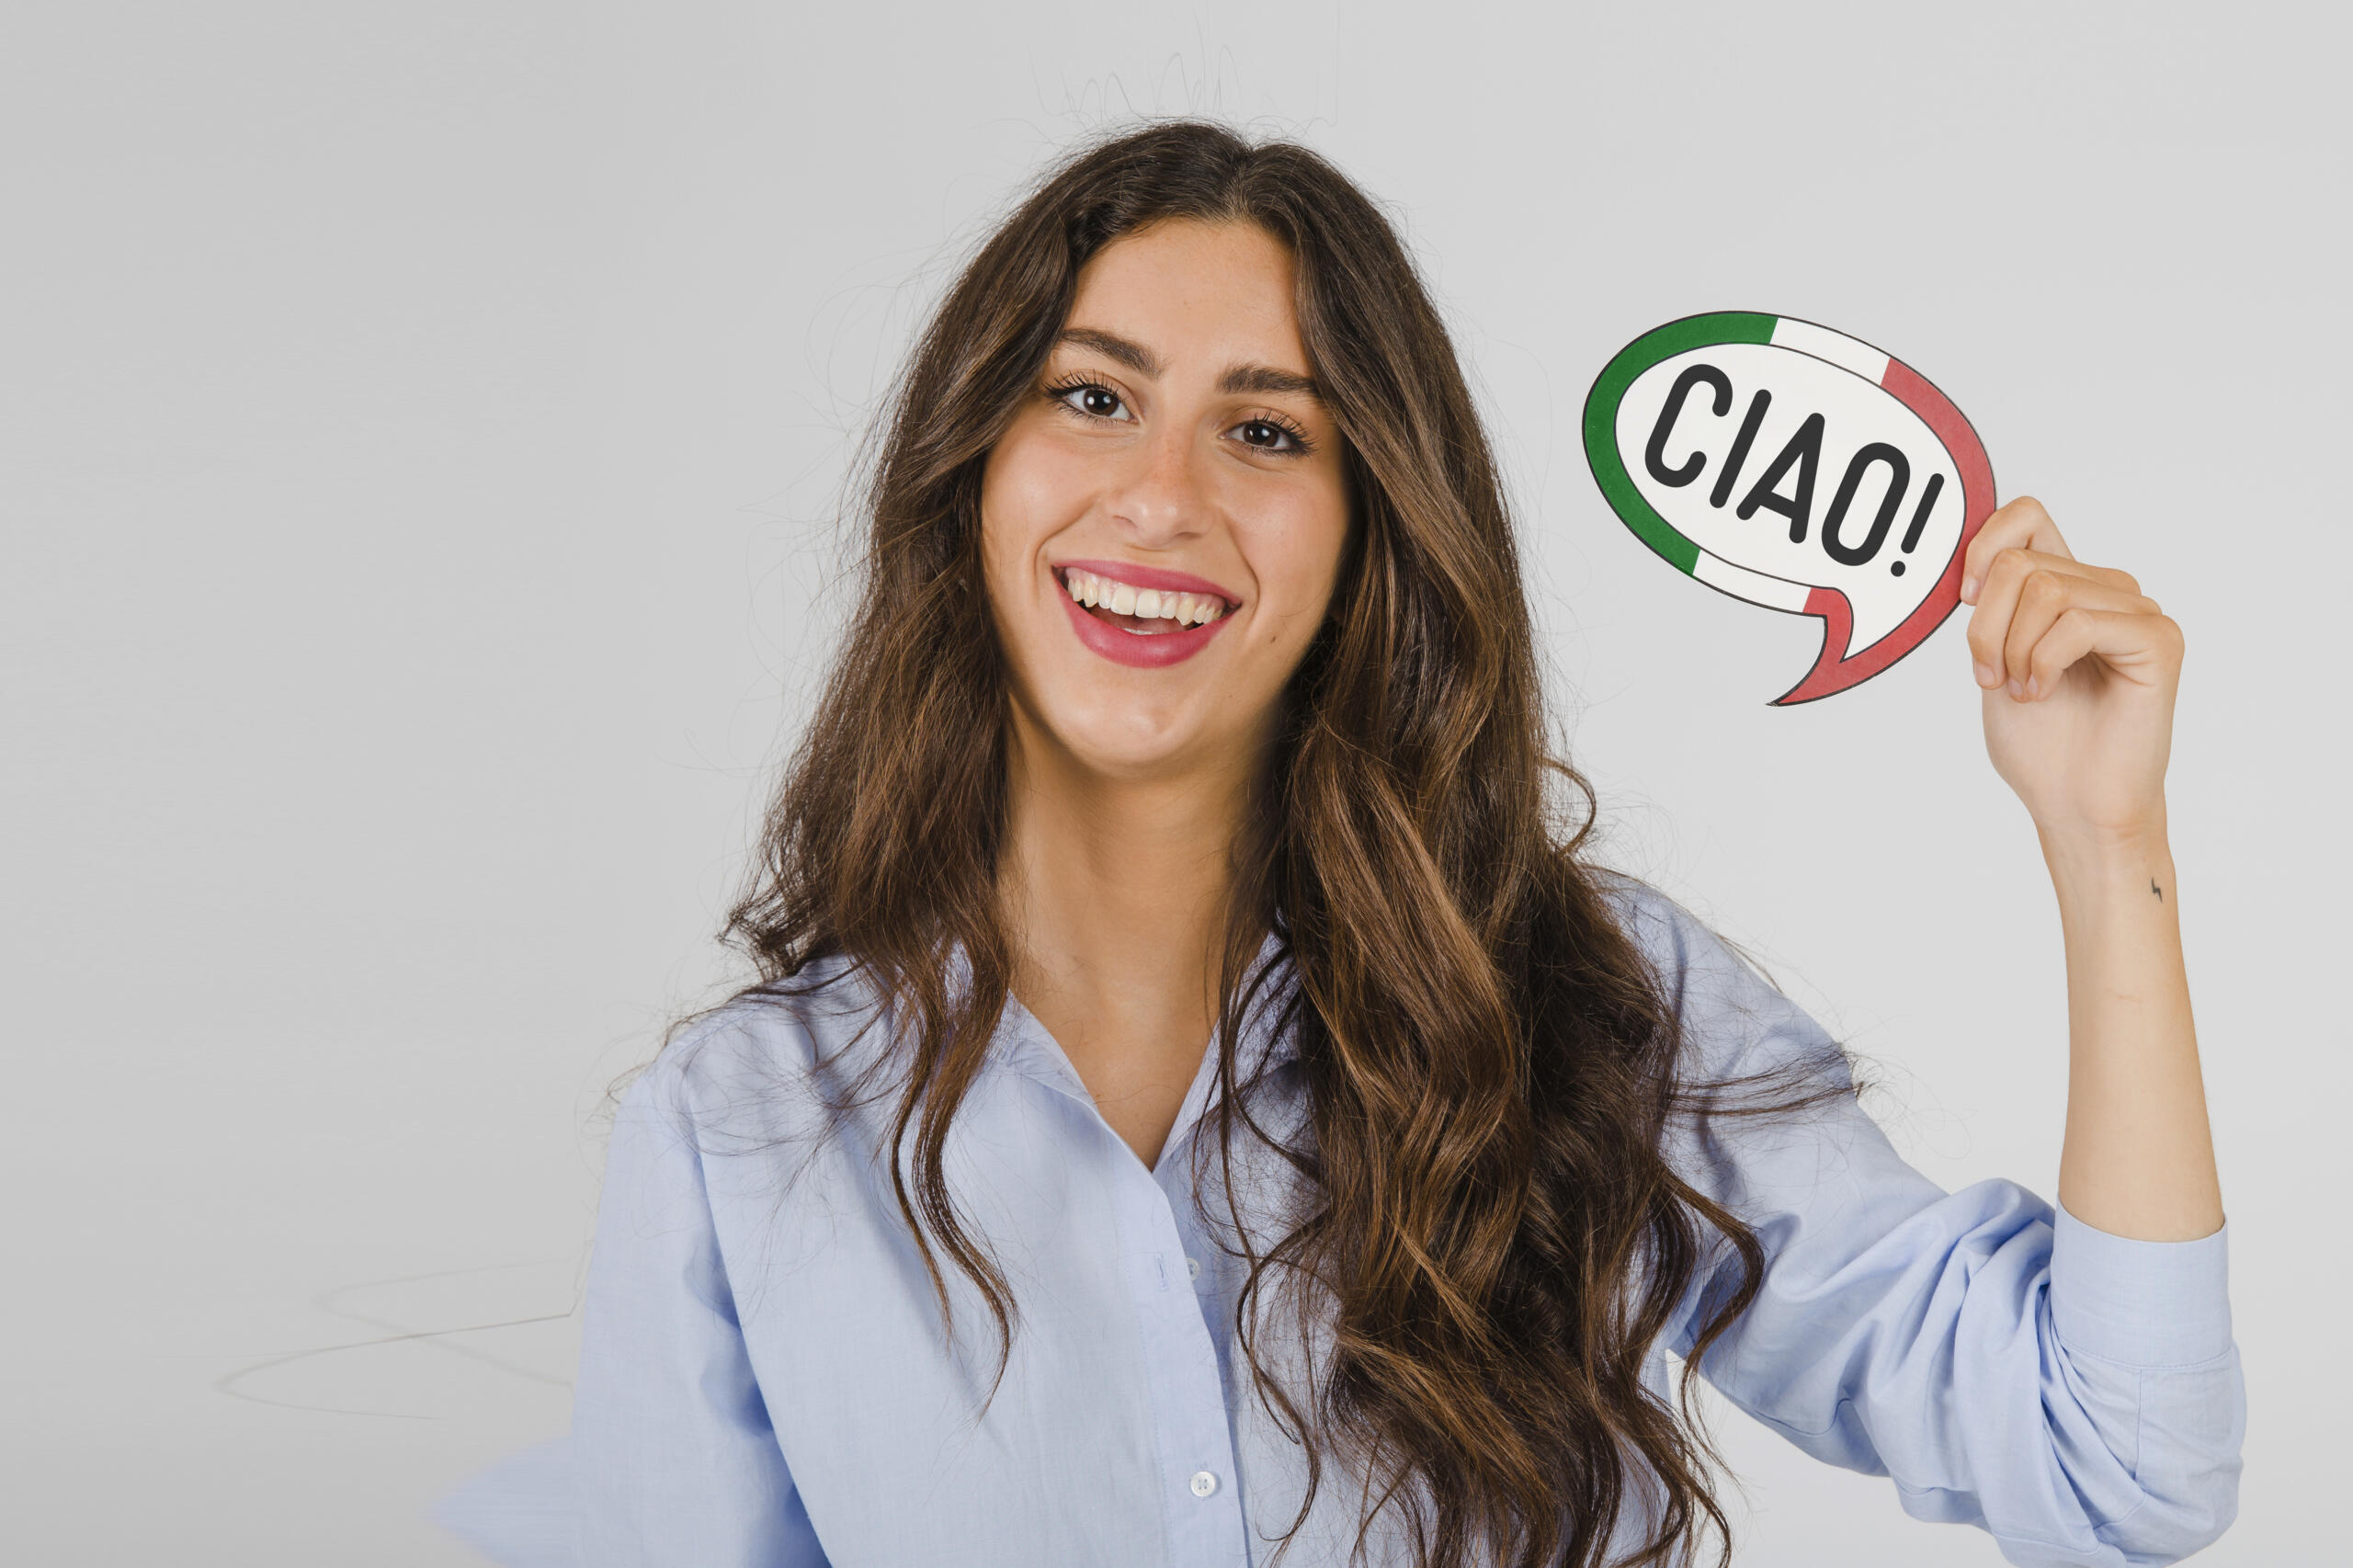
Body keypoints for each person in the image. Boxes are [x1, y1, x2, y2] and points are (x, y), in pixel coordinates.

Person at [438, 120, 2241, 1568]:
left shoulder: (1588, 1000)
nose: (1160, 491)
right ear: (968, 474)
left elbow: (2117, 1470)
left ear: (1367, 527)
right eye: (1089, 395)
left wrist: (2106, 848)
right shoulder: (739, 1131)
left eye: (1263, 428)